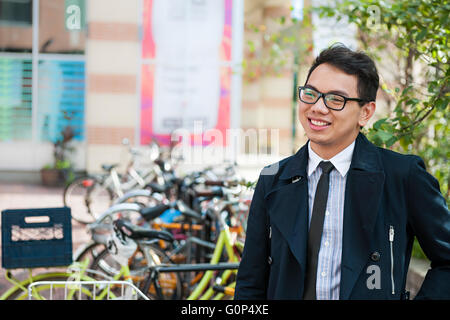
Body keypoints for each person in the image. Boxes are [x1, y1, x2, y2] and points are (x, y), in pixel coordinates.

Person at [234, 44, 450, 300]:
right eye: (310, 94)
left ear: (366, 112)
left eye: (336, 99)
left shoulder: (402, 176)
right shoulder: (273, 178)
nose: (317, 107)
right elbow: (251, 279)